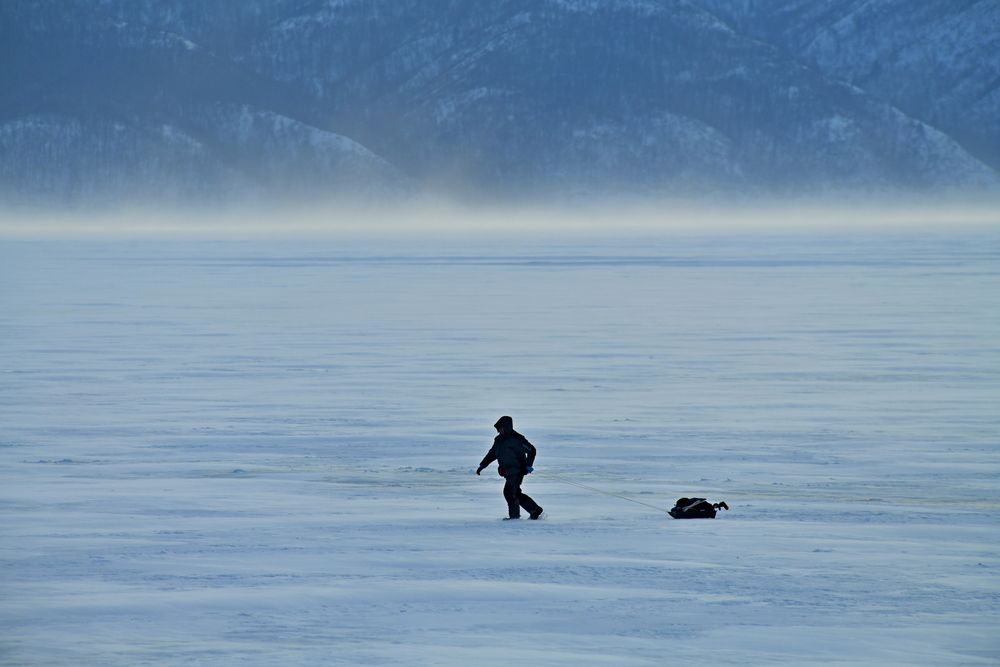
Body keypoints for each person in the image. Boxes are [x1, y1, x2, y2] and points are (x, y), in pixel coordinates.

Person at [476, 416, 544, 520]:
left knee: (509, 492)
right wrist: (483, 464)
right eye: (498, 428)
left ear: (507, 427)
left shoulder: (517, 439)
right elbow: (492, 453)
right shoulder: (498, 440)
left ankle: (514, 517)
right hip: (507, 472)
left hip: (518, 470)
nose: (499, 430)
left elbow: (532, 450)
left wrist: (528, 465)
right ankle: (534, 509)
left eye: (501, 427)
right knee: (515, 493)